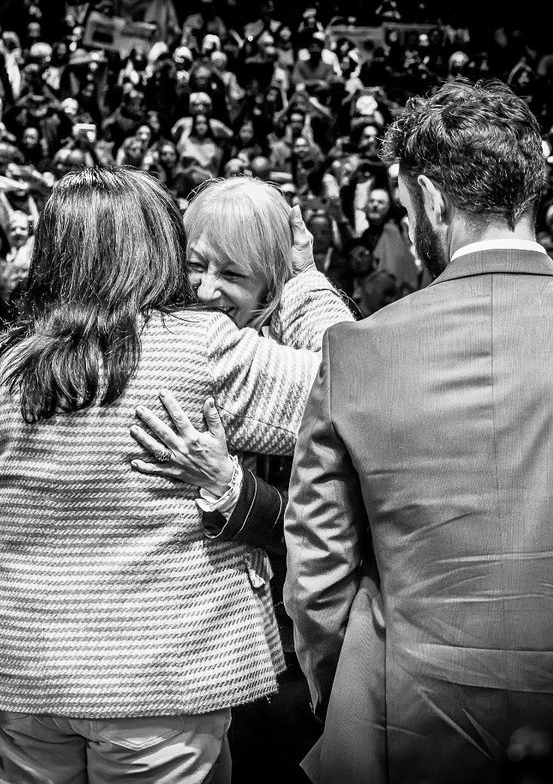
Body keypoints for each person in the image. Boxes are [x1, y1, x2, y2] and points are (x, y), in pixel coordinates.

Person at [284, 79, 553, 784]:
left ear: (429, 196)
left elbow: (319, 578)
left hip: (403, 721)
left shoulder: (354, 352)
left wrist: (342, 696)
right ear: (532, 189)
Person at [0, 167, 346, 784]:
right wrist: (301, 278)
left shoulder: (14, 361)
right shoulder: (196, 346)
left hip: (23, 667)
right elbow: (351, 379)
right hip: (153, 678)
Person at [130, 176, 356, 783]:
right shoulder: (172, 342)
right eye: (196, 266)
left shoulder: (294, 344)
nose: (205, 290)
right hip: (184, 650)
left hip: (285, 647)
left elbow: (355, 389)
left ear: (272, 278)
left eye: (230, 275)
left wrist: (235, 488)